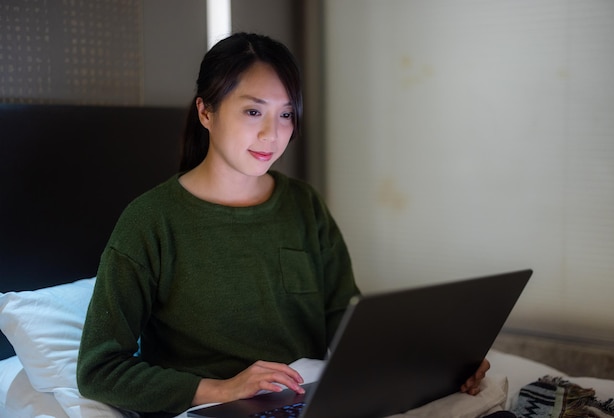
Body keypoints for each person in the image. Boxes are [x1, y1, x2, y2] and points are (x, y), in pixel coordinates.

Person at [77, 32, 489, 417]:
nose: (272, 134)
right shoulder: (151, 222)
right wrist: (222, 389)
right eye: (253, 110)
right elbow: (99, 369)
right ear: (206, 111)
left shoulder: (303, 205)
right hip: (215, 409)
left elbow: (344, 319)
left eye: (286, 114)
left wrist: (437, 361)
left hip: (307, 400)